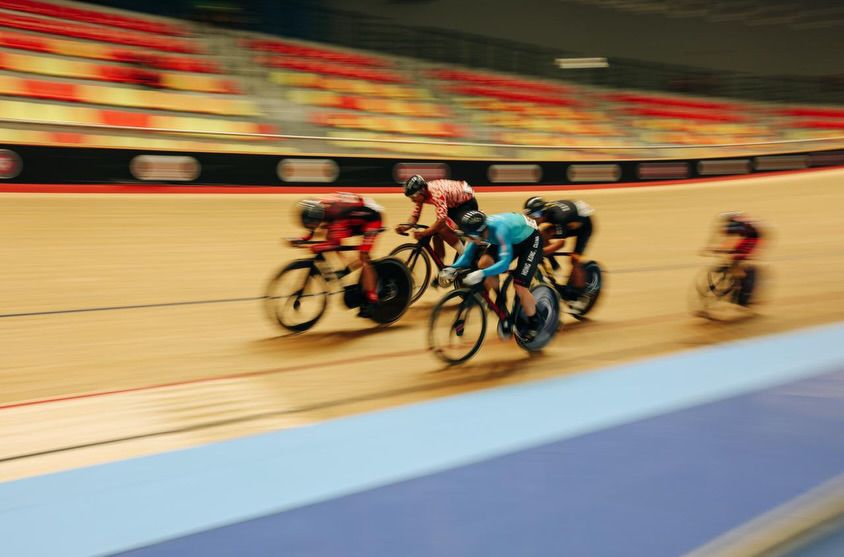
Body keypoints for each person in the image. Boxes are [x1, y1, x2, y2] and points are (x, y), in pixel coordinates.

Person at [440, 210, 545, 341]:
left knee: (520, 286)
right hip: (512, 238)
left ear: (480, 233)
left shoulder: (500, 231)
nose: (469, 240)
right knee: (484, 262)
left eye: (470, 237)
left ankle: (535, 322)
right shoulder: (479, 231)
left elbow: (504, 264)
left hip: (530, 240)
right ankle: (500, 299)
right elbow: (467, 256)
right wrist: (452, 268)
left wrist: (481, 273)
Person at [293, 192, 385, 317]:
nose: (311, 226)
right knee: (330, 236)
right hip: (353, 215)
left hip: (372, 218)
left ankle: (372, 298)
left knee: (363, 256)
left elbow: (334, 244)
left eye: (312, 223)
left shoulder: (337, 215)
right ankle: (347, 268)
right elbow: (314, 228)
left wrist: (315, 247)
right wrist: (302, 239)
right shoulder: (320, 208)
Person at [523, 197, 594, 303]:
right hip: (569, 221)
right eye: (529, 216)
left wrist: (542, 252)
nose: (532, 219)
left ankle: (579, 293)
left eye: (535, 216)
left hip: (584, 227)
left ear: (543, 213)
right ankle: (554, 263)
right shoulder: (544, 214)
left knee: (574, 259)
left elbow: (561, 243)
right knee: (542, 235)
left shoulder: (559, 216)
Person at [395, 175, 476, 263]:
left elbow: (441, 221)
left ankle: (466, 257)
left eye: (413, 197)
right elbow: (415, 215)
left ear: (422, 191)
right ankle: (441, 265)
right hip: (453, 204)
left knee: (442, 229)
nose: (412, 200)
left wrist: (424, 233)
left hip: (466, 203)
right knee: (436, 235)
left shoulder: (436, 192)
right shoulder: (421, 195)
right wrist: (405, 227)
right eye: (410, 197)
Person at [703, 211, 762, 306]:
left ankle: (745, 291)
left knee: (739, 260)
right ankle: (735, 281)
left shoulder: (735, 225)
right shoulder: (729, 224)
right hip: (745, 236)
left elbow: (730, 242)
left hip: (754, 237)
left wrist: (718, 250)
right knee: (732, 257)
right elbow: (716, 236)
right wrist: (709, 246)